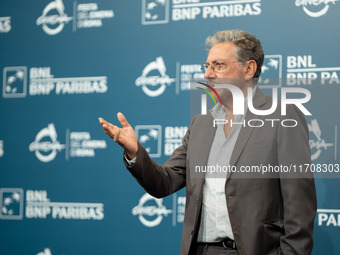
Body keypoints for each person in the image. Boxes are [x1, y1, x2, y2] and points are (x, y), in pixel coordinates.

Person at [99, 30, 317, 255]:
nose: (208, 74)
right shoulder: (200, 124)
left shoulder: (281, 116)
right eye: (206, 66)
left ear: (249, 69)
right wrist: (135, 152)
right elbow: (164, 182)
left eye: (218, 65)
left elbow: (299, 206)